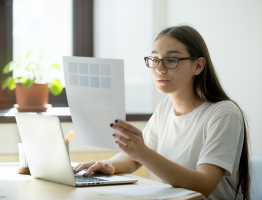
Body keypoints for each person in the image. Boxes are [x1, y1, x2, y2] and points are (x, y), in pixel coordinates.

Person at [73, 25, 250, 200]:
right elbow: (134, 159)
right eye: (155, 59)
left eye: (171, 60)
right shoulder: (165, 107)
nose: (160, 69)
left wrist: (143, 153)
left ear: (198, 66)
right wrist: (107, 165)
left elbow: (204, 185)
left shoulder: (224, 113)